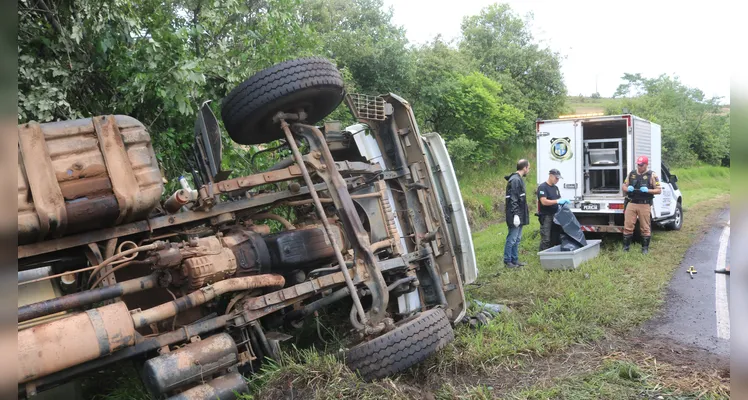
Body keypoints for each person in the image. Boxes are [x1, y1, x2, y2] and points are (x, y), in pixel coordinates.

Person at [622, 155, 661, 254]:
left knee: (645, 227)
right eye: (638, 165)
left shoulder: (652, 175)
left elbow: (659, 190)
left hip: (644, 204)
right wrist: (627, 189)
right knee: (628, 226)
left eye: (641, 165)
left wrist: (648, 190)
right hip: (632, 202)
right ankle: (626, 248)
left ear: (646, 165)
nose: (639, 167)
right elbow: (624, 186)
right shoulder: (632, 174)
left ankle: (645, 249)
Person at [504, 159, 530, 268]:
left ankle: (515, 260)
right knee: (512, 238)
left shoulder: (518, 179)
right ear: (524, 168)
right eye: (529, 168)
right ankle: (507, 260)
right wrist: (515, 214)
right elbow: (513, 198)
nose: (529, 170)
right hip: (515, 214)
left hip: (520, 214)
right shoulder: (515, 180)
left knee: (517, 239)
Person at [537, 169, 570, 251]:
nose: (557, 180)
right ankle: (543, 256)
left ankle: (553, 255)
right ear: (551, 176)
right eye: (556, 178)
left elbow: (558, 199)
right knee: (546, 238)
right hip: (546, 216)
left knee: (555, 237)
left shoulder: (555, 188)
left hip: (555, 215)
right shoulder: (542, 187)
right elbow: (544, 201)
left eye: (558, 179)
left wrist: (562, 203)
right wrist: (557, 201)